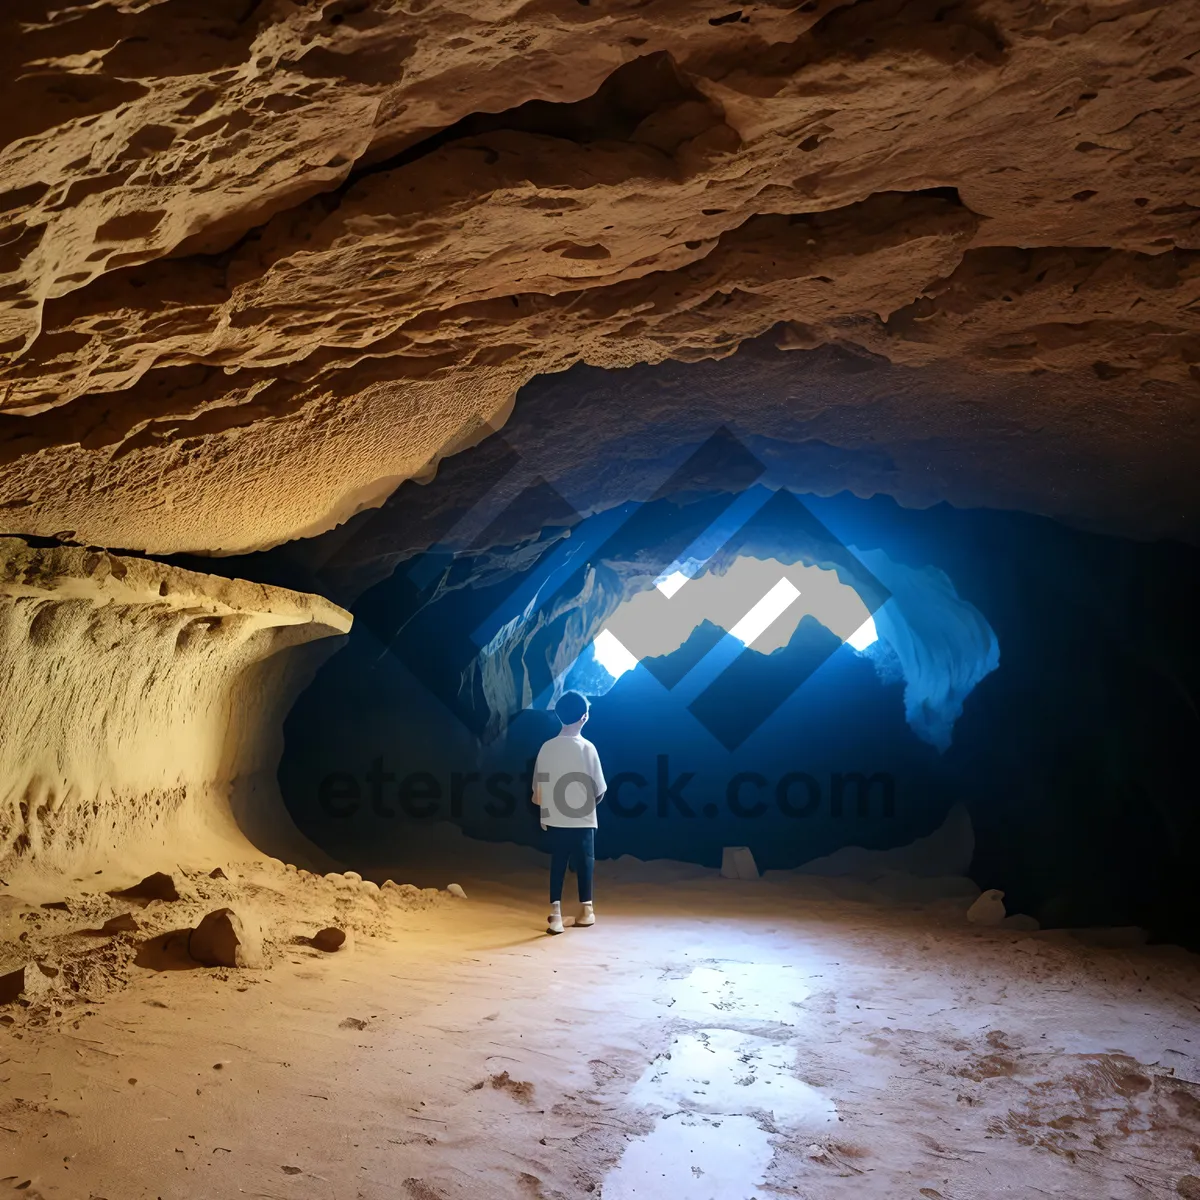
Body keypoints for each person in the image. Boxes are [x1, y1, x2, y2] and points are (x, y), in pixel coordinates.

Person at [531, 690, 606, 935]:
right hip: (583, 816)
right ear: (585, 717)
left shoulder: (546, 747)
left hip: (555, 816)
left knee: (558, 862)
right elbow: (599, 788)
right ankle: (587, 910)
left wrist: (545, 808)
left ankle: (555, 915)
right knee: (586, 862)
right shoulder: (589, 748)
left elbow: (538, 789)